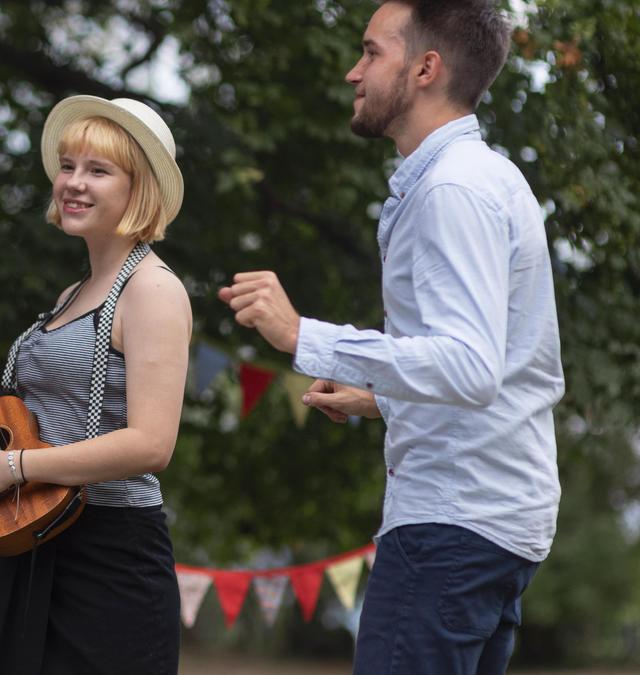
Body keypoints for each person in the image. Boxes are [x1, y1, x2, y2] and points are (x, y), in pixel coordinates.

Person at [218, 1, 563, 673]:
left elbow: (469, 367)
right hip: (495, 521)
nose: (354, 71)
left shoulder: (452, 189)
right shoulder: (481, 178)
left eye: (372, 52)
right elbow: (494, 364)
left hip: (451, 524)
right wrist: (382, 396)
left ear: (426, 68)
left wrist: (300, 334)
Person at [0, 96, 191, 674]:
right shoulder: (71, 295)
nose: (73, 183)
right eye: (68, 166)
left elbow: (151, 445)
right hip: (24, 544)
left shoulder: (152, 290)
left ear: (138, 189)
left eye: (98, 171)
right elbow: (41, 424)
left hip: (107, 558)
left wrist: (13, 469)